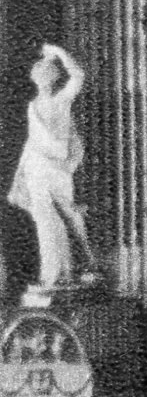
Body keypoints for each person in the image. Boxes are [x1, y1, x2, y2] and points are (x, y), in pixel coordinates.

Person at [8, 42, 98, 294]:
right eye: (40, 75)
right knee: (45, 223)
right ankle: (52, 276)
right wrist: (19, 175)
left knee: (65, 219)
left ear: (54, 78)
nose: (43, 79)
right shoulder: (33, 106)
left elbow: (78, 74)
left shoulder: (61, 101)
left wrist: (58, 52)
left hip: (57, 170)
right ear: (35, 79)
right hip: (37, 167)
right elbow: (31, 143)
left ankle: (68, 272)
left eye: (47, 75)